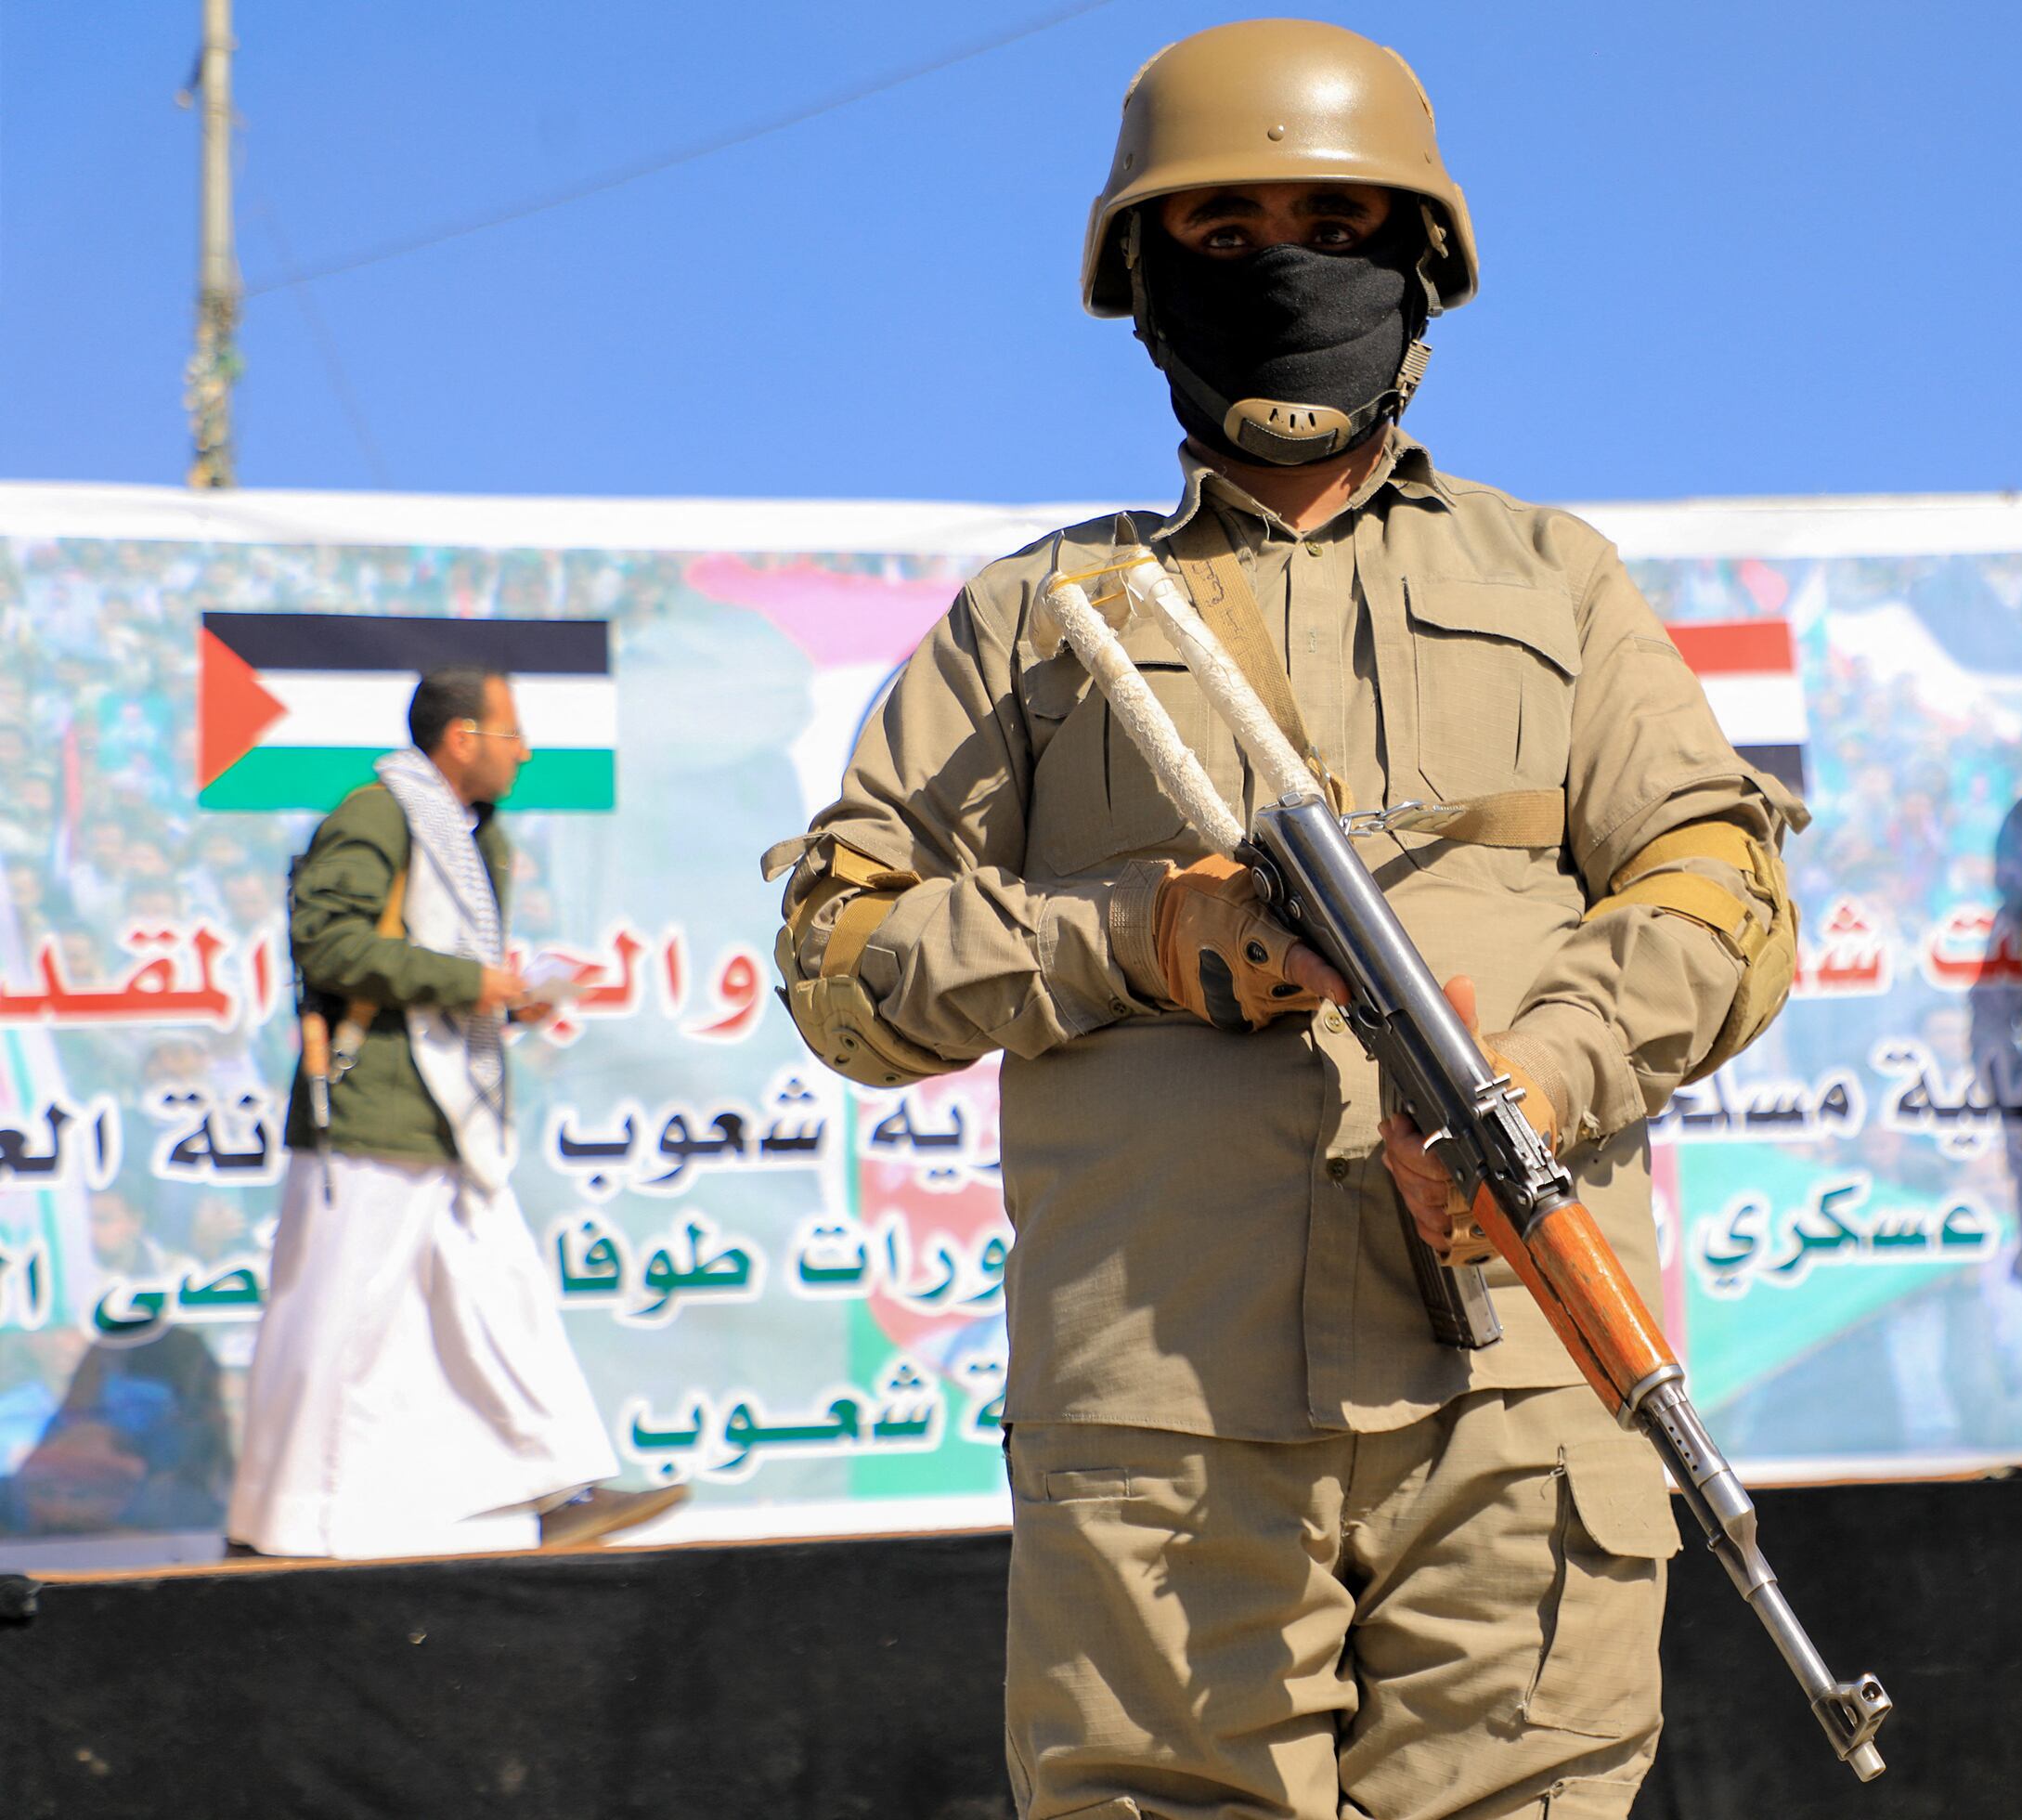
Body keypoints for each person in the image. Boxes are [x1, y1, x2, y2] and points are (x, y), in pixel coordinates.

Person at [764, 21, 1804, 1818]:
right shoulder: (1042, 614)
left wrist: (1545, 1076)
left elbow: (1723, 889)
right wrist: (1132, 939)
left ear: (1417, 266)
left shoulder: (1555, 578)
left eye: (1332, 224)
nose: (1281, 266)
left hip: (1524, 1396)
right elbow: (838, 954)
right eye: (1223, 232)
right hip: (1163, 1432)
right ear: (1146, 283)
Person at [227, 669, 684, 1557]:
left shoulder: (472, 836)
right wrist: (470, 982)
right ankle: (274, 1527)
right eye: (512, 735)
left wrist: (505, 1001)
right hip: (376, 1111)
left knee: (504, 1299)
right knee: (334, 1317)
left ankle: (563, 1493)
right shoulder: (379, 813)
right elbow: (327, 943)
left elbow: (433, 973)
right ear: (463, 738)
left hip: (450, 1114)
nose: (526, 754)